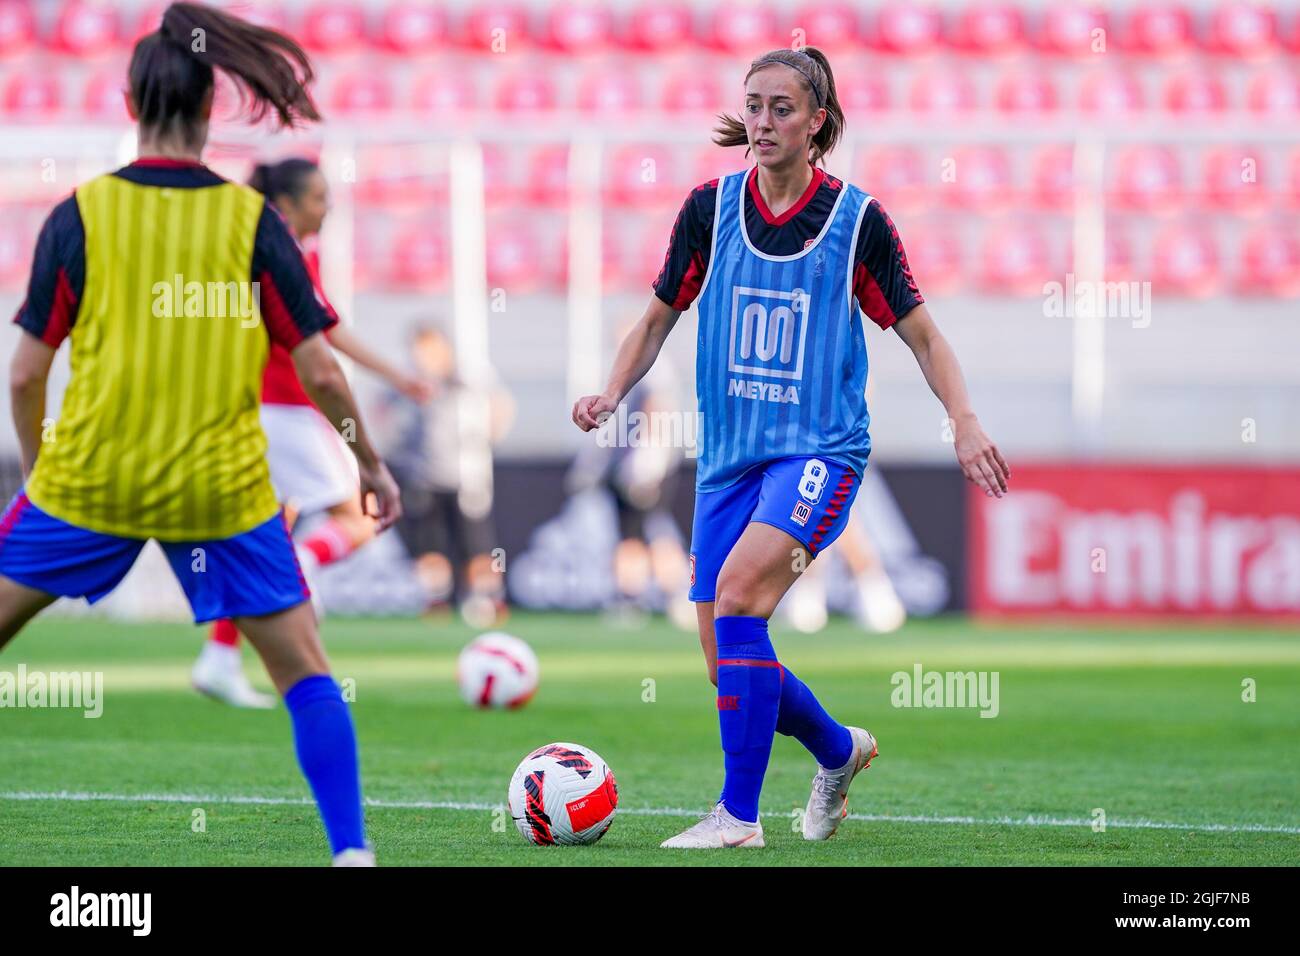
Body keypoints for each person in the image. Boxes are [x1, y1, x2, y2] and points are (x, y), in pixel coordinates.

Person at [571, 47, 1010, 849]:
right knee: (724, 658)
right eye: (755, 106)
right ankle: (840, 751)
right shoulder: (709, 208)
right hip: (727, 457)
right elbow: (658, 315)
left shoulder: (857, 223)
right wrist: (612, 392)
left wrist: (966, 420)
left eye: (782, 108)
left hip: (820, 452)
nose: (765, 122)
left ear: (818, 122)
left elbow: (924, 335)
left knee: (740, 600)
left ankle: (738, 817)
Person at [0, 2, 400, 866]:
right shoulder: (252, 220)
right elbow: (324, 370)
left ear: (130, 100)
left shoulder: (79, 215)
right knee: (306, 677)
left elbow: (27, 373)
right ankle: (352, 854)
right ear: (213, 110)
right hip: (220, 491)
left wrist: (40, 478)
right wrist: (369, 463)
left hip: (89, 480)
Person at [190, 157, 431, 708]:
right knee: (362, 517)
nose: (328, 207)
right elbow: (322, 343)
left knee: (274, 526)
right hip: (287, 411)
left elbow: (325, 326)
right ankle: (301, 570)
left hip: (253, 410)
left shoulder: (258, 247)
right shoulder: (281, 252)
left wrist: (394, 374)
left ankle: (219, 658)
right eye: (319, 198)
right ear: (290, 204)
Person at [371, 324, 511, 626]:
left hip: (466, 476)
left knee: (476, 543)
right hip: (423, 476)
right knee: (429, 543)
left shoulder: (466, 375)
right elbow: (382, 410)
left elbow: (500, 404)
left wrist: (488, 437)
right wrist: (395, 443)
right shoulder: (408, 379)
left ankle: (485, 598)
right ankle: (435, 599)